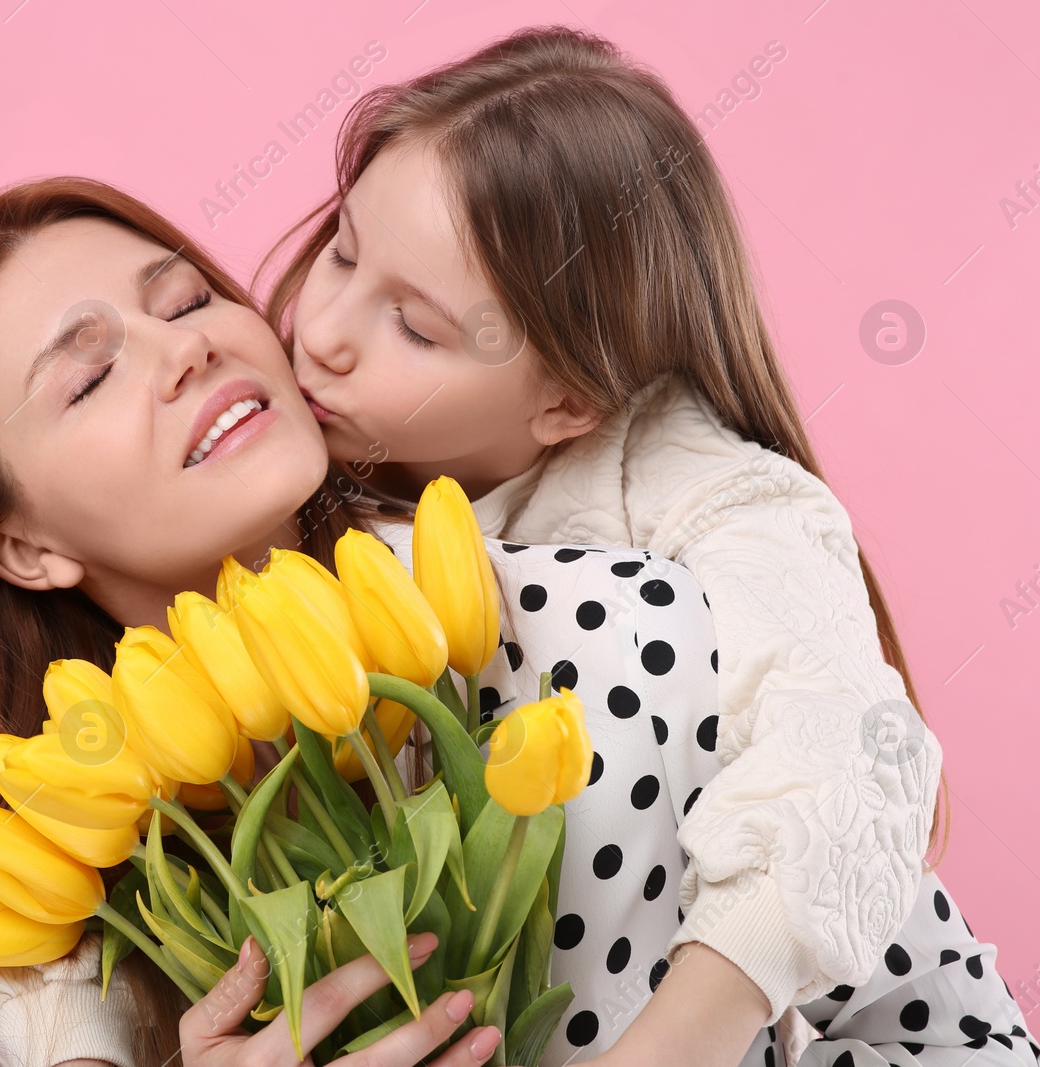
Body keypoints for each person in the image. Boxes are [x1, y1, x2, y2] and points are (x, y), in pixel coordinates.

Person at [0, 177, 1037, 1067]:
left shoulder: (596, 608)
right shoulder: (59, 924)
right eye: (90, 375)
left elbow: (913, 967)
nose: (187, 346)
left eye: (187, 296)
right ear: (22, 544)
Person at [270, 25, 952, 1062]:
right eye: (343, 250)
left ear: (567, 398)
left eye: (413, 326)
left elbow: (852, 743)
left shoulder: (699, 496)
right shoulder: (274, 458)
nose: (321, 329)